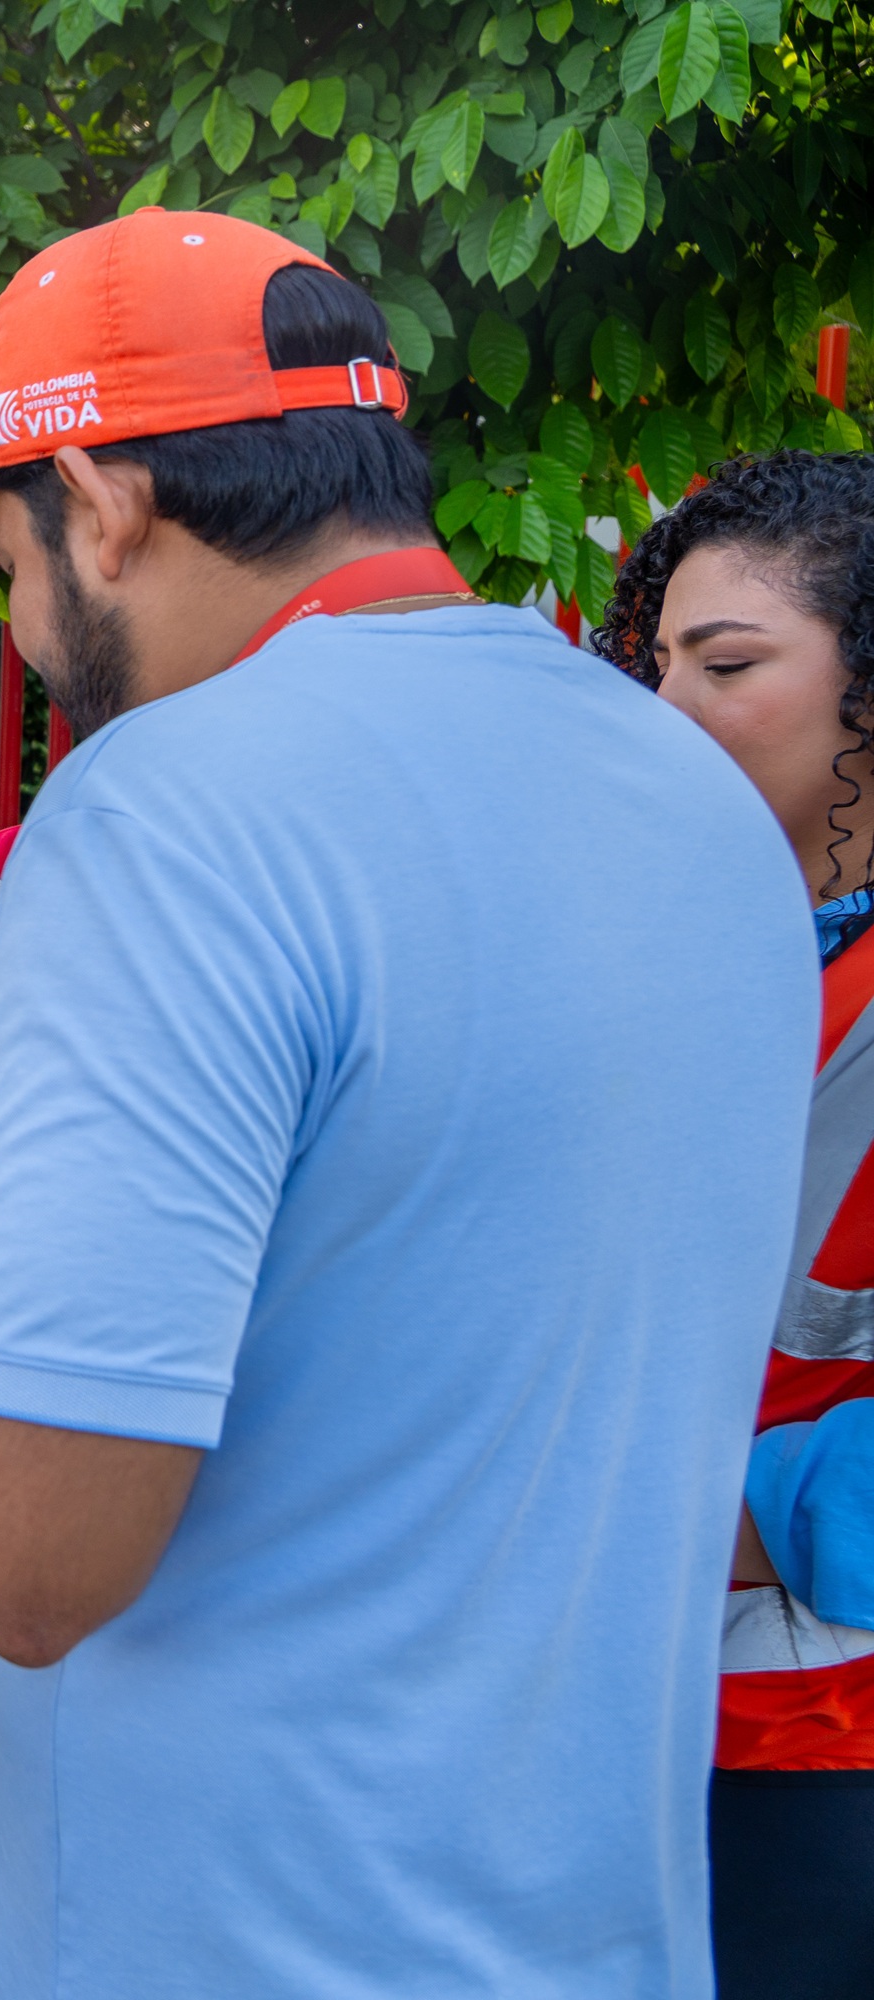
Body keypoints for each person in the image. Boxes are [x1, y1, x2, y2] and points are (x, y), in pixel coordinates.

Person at [0, 209, 818, 1996]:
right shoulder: (696, 802)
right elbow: (432, 1150)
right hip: (597, 1936)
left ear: (102, 503)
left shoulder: (169, 806)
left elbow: (21, 1550)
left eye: (10, 564)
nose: (27, 629)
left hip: (233, 1940)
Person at [595, 449, 874, 1998]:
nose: (669, 709)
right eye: (658, 665)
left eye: (728, 664)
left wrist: (725, 1515)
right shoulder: (713, 937)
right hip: (636, 1697)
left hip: (817, 1741)